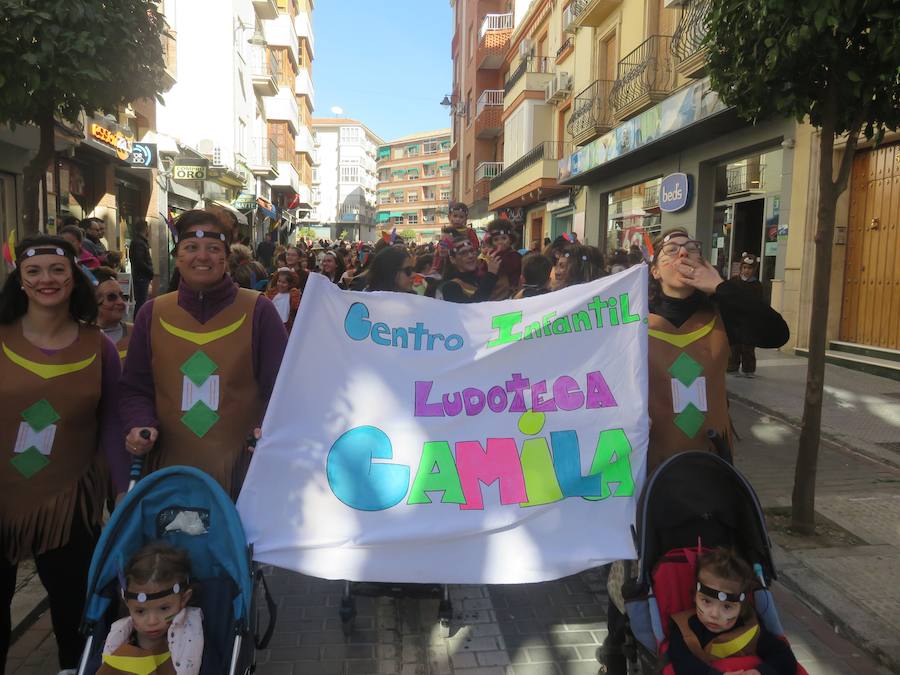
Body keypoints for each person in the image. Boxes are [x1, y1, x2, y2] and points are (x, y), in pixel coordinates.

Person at [599, 229, 789, 674]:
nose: (683, 253)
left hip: (711, 469)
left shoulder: (722, 313)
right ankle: (616, 647)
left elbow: (775, 332)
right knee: (634, 568)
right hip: (647, 464)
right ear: (653, 268)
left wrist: (718, 286)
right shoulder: (630, 319)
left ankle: (712, 648)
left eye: (692, 248)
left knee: (713, 564)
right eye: (671, 249)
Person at [0, 236, 128, 673]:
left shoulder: (99, 348)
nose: (46, 280)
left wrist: (121, 492)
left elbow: (112, 423)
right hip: (2, 495)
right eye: (33, 271)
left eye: (58, 270)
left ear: (75, 279)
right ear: (19, 280)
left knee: (77, 611)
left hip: (69, 499)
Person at [118, 209, 288, 499]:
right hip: (168, 475)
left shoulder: (259, 311)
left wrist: (266, 432)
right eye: (191, 248)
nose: (202, 256)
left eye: (213, 248)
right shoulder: (152, 313)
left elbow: (283, 389)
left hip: (242, 476)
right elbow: (136, 388)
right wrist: (139, 423)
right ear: (177, 256)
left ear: (226, 257)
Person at [667, 548, 797, 675]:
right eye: (706, 601)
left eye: (727, 607)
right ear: (695, 596)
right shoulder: (685, 630)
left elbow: (783, 656)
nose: (714, 614)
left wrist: (759, 672)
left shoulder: (750, 629)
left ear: (742, 607)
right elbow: (684, 664)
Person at [98, 541, 203, 675]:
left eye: (164, 608)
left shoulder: (193, 640)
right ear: (127, 604)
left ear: (184, 599)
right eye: (140, 611)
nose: (152, 621)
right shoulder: (117, 641)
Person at [727, 253, 764, 378]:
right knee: (734, 345)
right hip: (735, 319)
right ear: (741, 268)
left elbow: (759, 302)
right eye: (745, 268)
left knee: (748, 346)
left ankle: (748, 369)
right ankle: (732, 366)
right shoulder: (734, 281)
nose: (747, 271)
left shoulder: (757, 285)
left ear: (754, 270)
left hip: (749, 320)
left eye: (750, 268)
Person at [437, 236, 501, 303]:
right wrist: (491, 275)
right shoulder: (450, 287)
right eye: (463, 253)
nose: (470, 255)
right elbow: (472, 308)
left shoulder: (481, 275)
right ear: (453, 259)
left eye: (471, 250)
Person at [93, 267, 133, 362]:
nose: (120, 302)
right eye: (111, 297)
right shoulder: (80, 338)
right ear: (93, 302)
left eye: (122, 296)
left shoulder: (136, 333)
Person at [484, 220, 522, 300]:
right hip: (494, 293)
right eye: (496, 240)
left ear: (510, 239)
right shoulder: (490, 255)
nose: (500, 242)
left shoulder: (515, 256)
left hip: (511, 293)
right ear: (492, 242)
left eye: (504, 238)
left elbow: (506, 268)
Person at [129, 220, 154, 317]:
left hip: (142, 276)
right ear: (145, 229)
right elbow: (139, 261)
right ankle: (139, 322)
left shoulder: (139, 241)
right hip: (141, 277)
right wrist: (150, 271)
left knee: (142, 301)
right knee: (141, 301)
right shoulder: (139, 242)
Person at [265, 268, 301, 332]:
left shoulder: (292, 295)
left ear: (290, 284)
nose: (280, 284)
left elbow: (295, 306)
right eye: (279, 281)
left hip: (285, 325)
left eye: (284, 282)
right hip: (271, 323)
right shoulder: (272, 294)